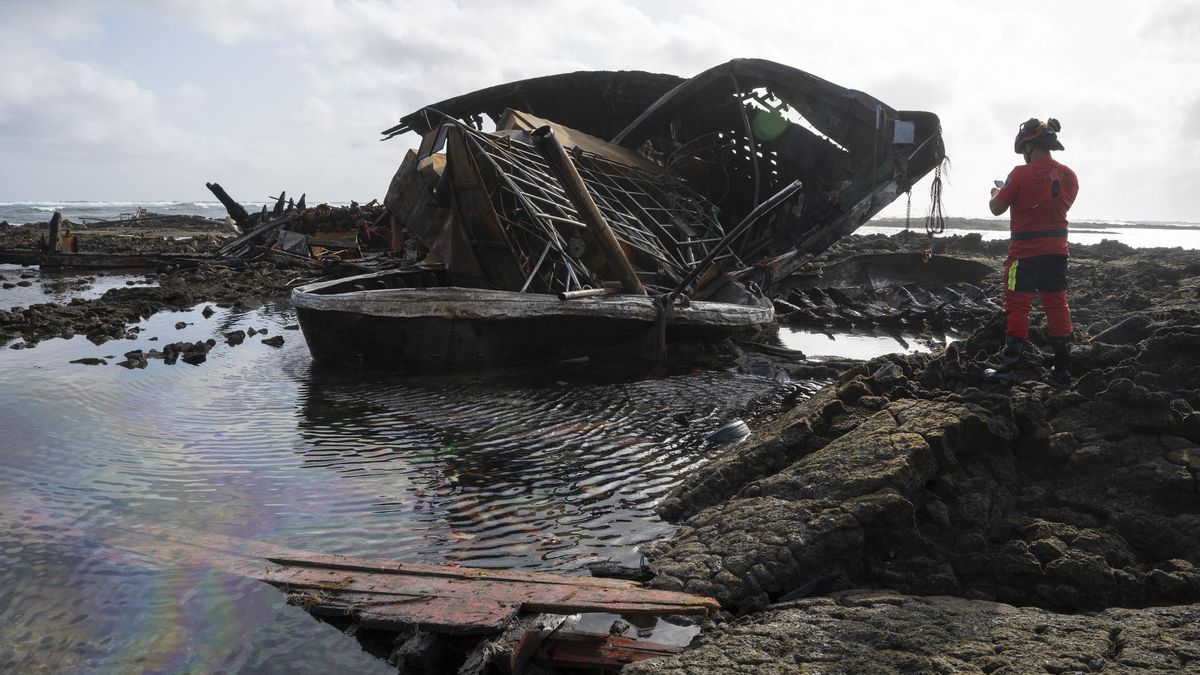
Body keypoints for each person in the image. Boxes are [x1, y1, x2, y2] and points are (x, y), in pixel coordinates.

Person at [983, 118, 1079, 386]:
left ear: (1028, 145)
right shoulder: (1070, 175)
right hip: (1058, 253)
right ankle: (1062, 372)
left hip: (1024, 256)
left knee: (1018, 308)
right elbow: (1055, 207)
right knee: (1058, 305)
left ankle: (1007, 372)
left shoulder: (1020, 173)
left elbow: (996, 207)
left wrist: (997, 190)